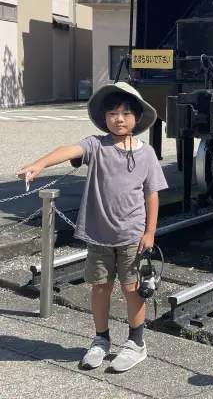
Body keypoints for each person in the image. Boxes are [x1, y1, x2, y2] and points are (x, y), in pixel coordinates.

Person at [18, 82, 169, 372]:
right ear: (104, 118)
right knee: (100, 288)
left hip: (132, 236)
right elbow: (68, 149)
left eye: (125, 112)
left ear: (137, 118)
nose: (119, 118)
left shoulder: (147, 154)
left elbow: (152, 194)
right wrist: (39, 164)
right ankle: (101, 340)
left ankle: (136, 343)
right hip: (98, 235)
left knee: (132, 288)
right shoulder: (96, 145)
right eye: (112, 113)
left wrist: (150, 232)